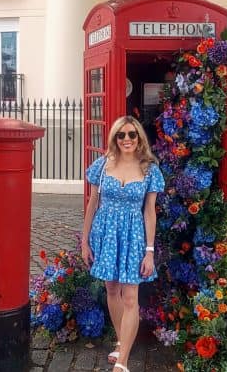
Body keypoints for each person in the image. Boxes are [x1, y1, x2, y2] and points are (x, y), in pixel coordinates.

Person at [81, 115, 165, 372]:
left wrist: (149, 251)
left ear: (139, 138)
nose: (127, 139)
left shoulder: (149, 168)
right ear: (114, 138)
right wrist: (84, 241)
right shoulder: (102, 165)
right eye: (121, 135)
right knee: (112, 290)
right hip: (105, 235)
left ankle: (123, 361)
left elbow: (150, 211)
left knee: (130, 296)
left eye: (132, 134)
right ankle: (122, 342)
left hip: (133, 237)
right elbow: (92, 203)